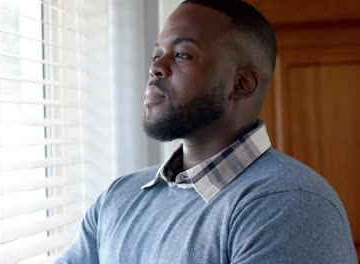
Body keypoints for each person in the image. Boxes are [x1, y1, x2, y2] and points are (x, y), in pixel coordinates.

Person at [55, 0, 358, 263]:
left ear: (241, 84)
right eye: (156, 54)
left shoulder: (289, 205)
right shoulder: (118, 197)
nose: (156, 67)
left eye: (183, 55)